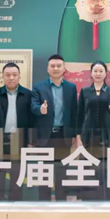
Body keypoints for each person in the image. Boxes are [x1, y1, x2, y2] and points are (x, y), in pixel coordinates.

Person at [31, 54, 78, 201]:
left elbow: (74, 112)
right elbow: (33, 106)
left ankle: (61, 205)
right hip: (45, 137)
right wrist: (41, 109)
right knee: (43, 174)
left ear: (64, 69)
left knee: (62, 174)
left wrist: (75, 135)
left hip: (63, 136)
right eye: (52, 66)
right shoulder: (38, 87)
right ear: (47, 69)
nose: (56, 68)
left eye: (59, 66)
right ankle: (43, 205)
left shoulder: (71, 88)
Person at [0, 62, 33, 201]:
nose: (11, 78)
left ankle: (16, 206)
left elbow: (32, 119)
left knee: (17, 177)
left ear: (19, 76)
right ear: (3, 76)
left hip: (19, 140)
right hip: (0, 140)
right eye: (7, 75)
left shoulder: (27, 94)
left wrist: (31, 141)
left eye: (14, 75)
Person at [76, 61, 110, 200]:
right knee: (88, 166)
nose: (98, 74)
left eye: (101, 71)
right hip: (88, 134)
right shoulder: (85, 91)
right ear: (91, 73)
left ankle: (109, 198)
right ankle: (88, 197)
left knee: (107, 166)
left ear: (106, 73)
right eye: (95, 71)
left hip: (107, 134)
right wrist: (78, 136)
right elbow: (80, 114)